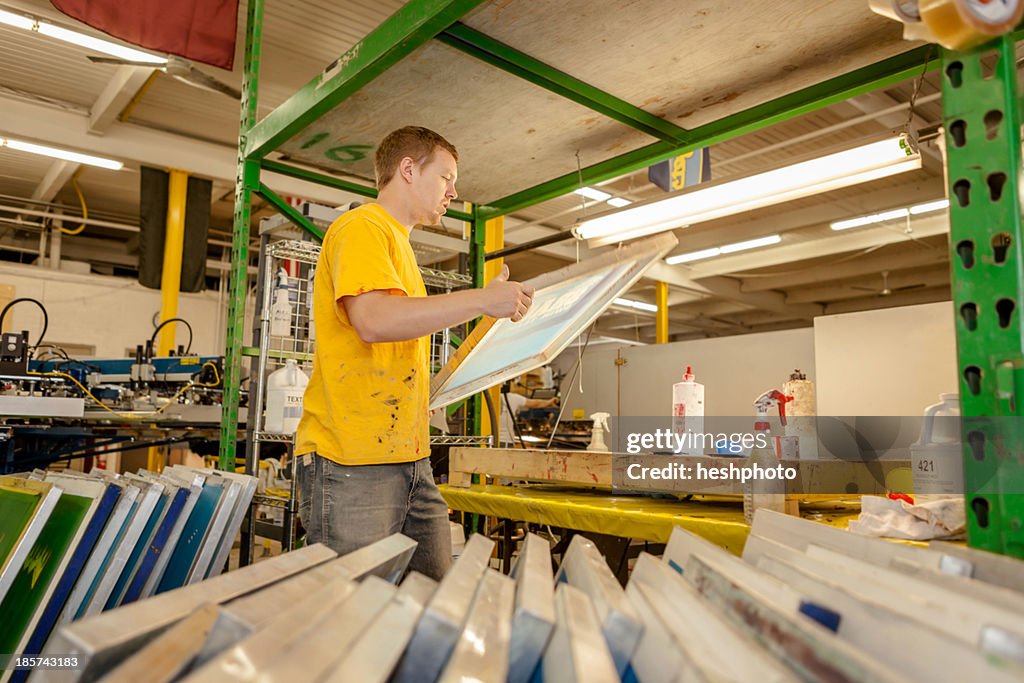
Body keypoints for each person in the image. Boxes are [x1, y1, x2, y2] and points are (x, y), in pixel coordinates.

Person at [294, 126, 534, 580]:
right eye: (446, 177)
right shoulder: (362, 227)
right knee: (354, 614)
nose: (454, 191)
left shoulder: (401, 252)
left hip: (409, 459)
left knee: (430, 601)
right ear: (408, 169)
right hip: (352, 462)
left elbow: (399, 337)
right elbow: (374, 320)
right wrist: (482, 299)